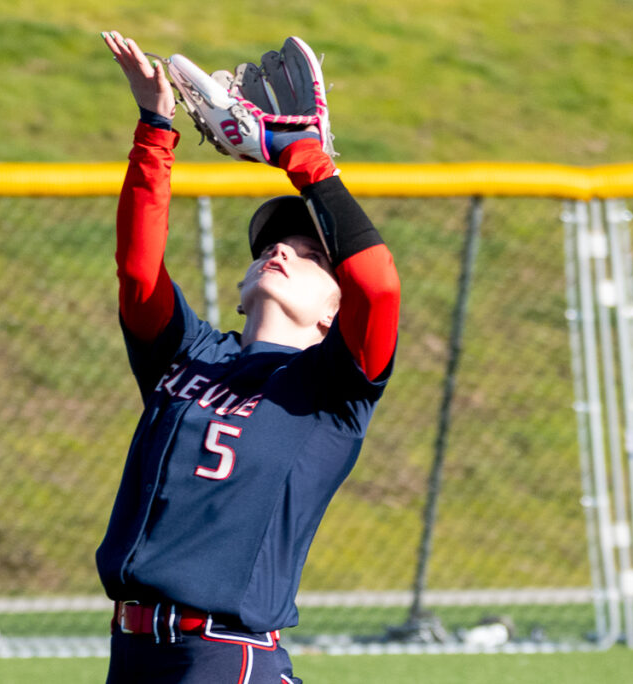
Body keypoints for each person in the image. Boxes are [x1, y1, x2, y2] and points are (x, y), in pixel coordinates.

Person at [97, 31, 401, 684]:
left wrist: (306, 159)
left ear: (334, 311)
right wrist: (155, 127)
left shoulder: (331, 391)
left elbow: (379, 286)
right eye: (267, 249)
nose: (282, 253)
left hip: (228, 661)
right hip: (134, 658)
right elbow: (139, 273)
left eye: (312, 255)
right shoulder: (190, 358)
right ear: (240, 293)